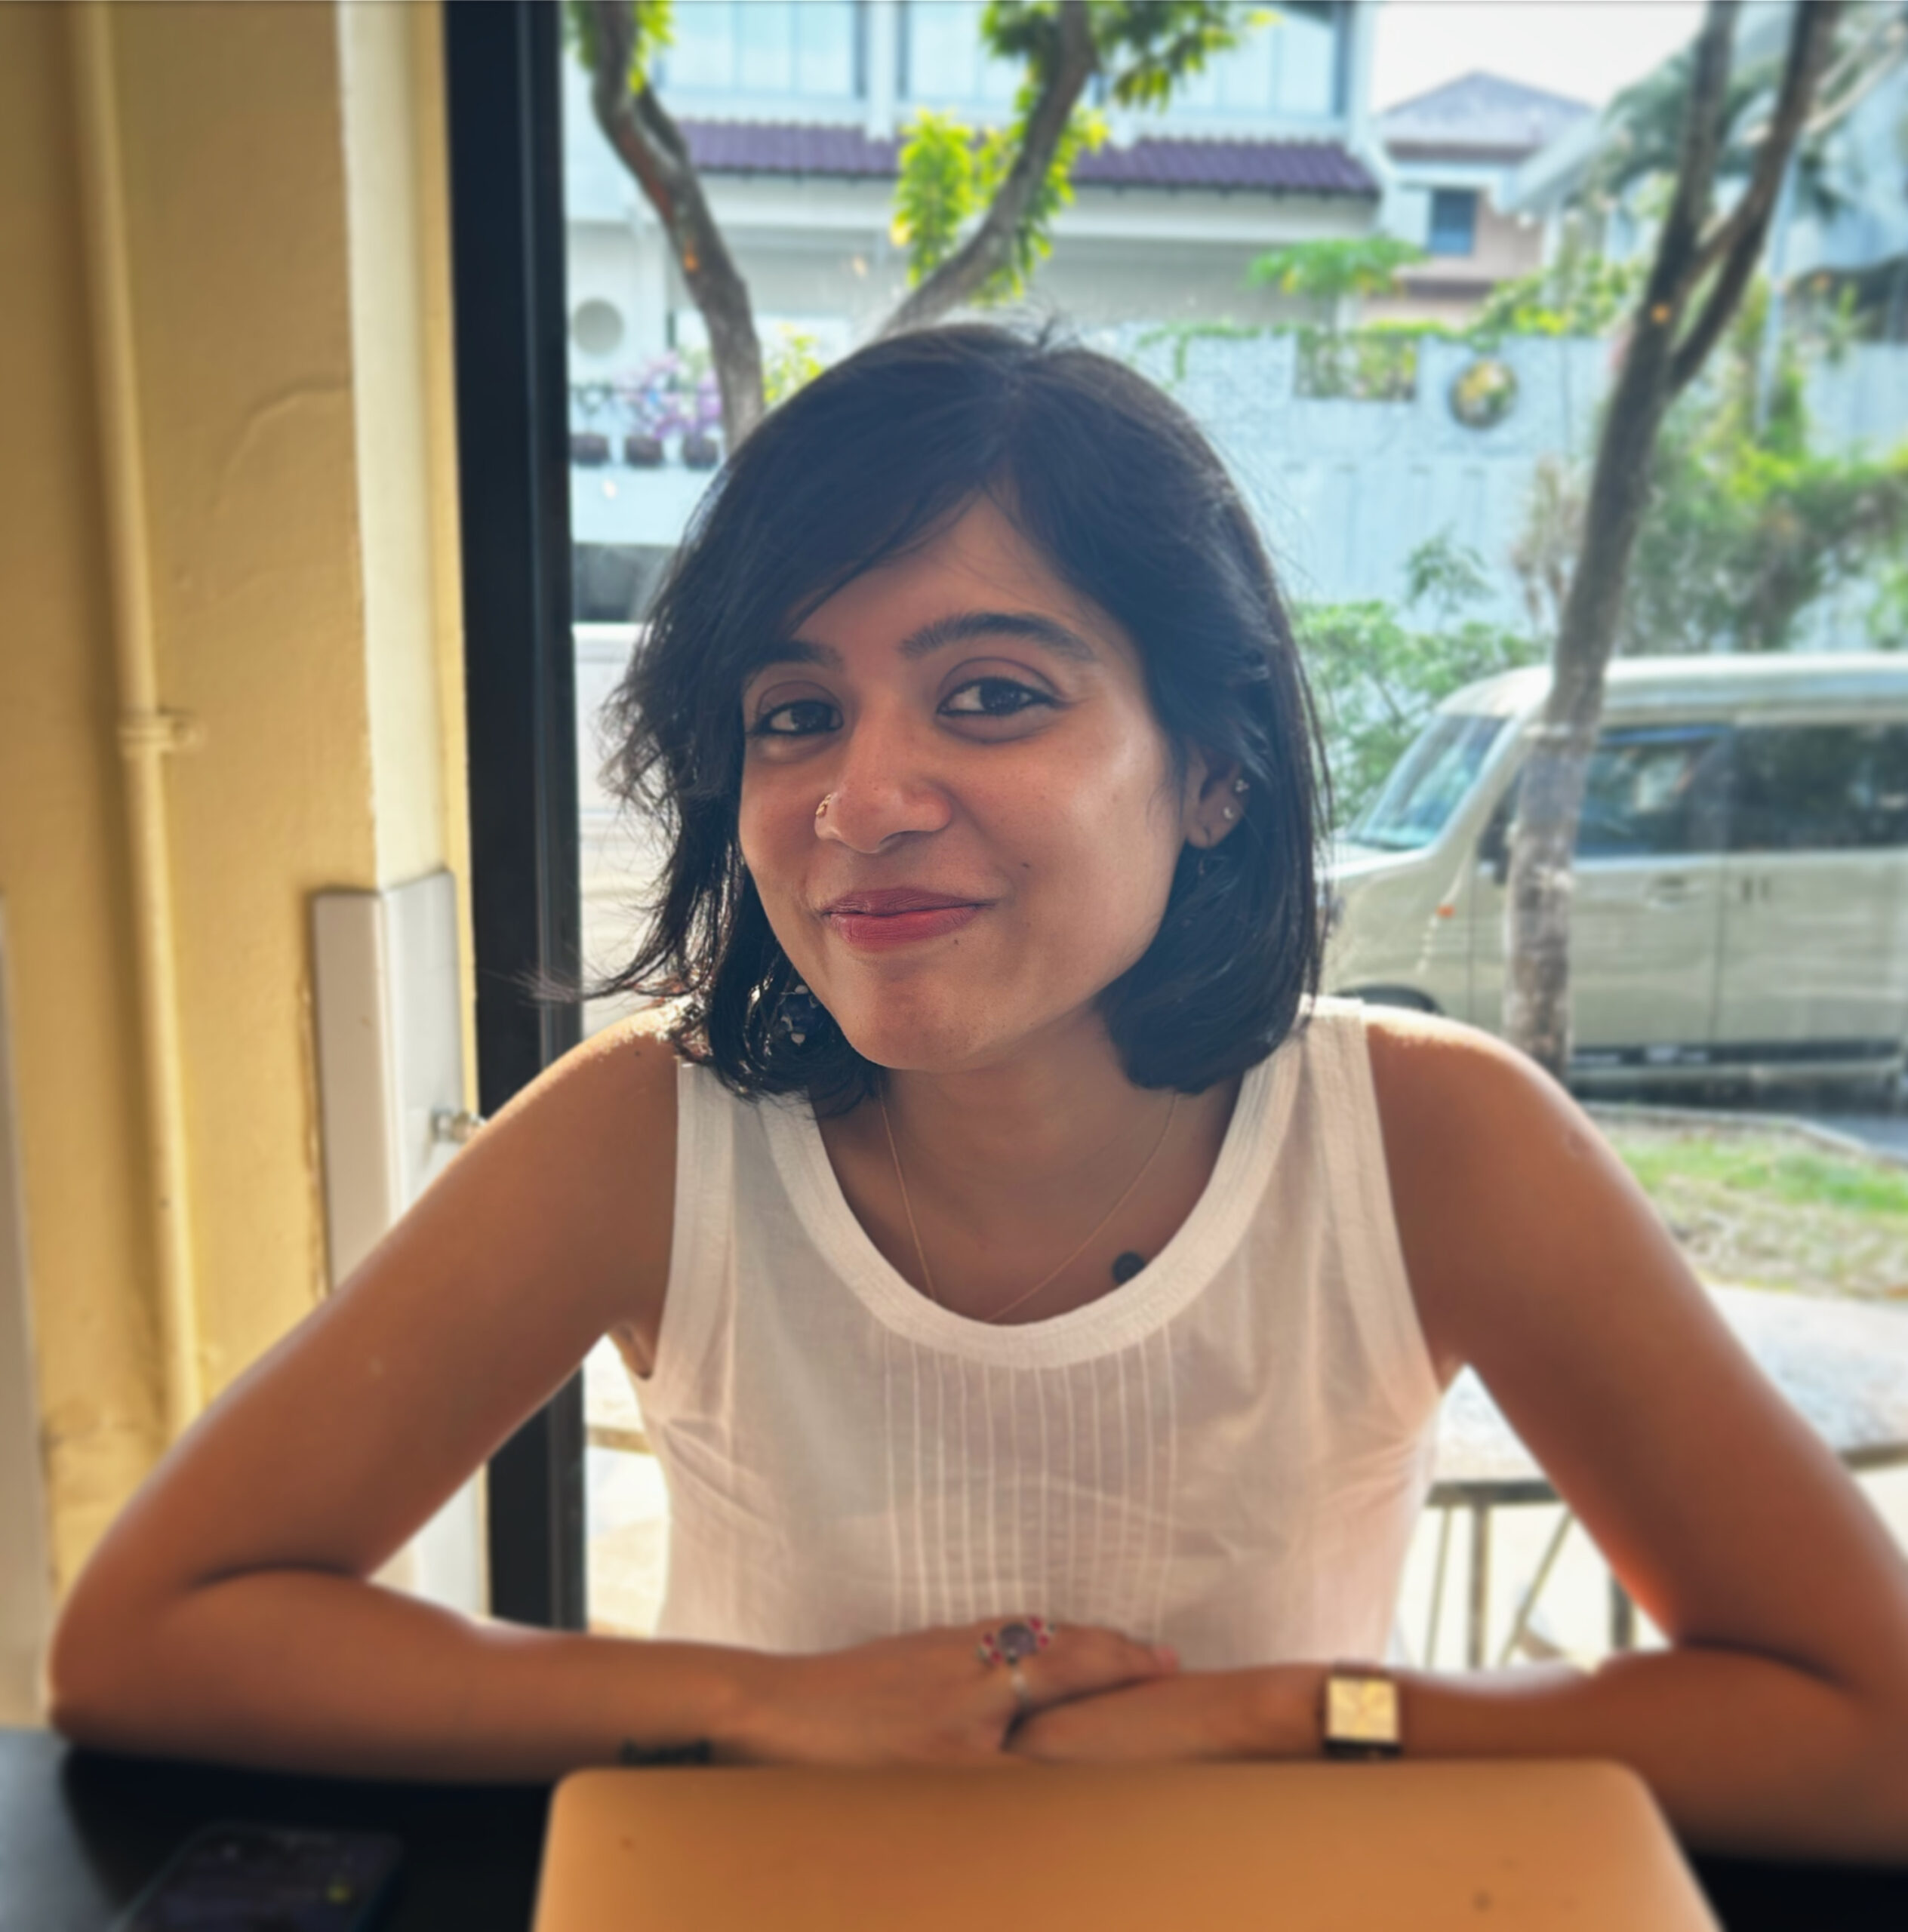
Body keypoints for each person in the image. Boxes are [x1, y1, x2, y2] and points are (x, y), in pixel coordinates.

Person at [48, 326, 1908, 1860]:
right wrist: (751, 1702)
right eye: (795, 714)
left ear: (1213, 770)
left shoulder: (1431, 1144)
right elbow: (150, 1639)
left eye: (993, 693)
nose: (860, 797)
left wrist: (1298, 1716)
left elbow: (1860, 1725)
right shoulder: (645, 1138)